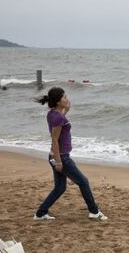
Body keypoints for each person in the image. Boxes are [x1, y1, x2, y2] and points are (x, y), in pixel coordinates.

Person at [33, 87, 107, 220]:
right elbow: (55, 139)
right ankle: (94, 211)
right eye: (64, 97)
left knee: (60, 188)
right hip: (61, 157)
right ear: (57, 101)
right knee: (83, 182)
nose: (67, 99)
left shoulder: (52, 114)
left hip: (54, 156)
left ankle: (40, 213)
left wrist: (64, 111)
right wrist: (59, 161)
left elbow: (59, 125)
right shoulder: (58, 117)